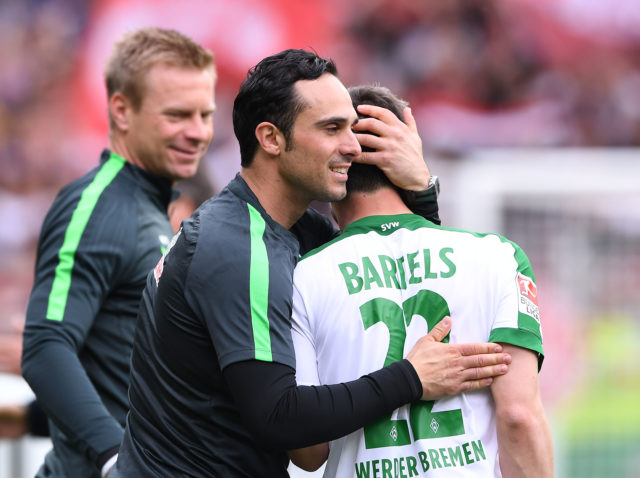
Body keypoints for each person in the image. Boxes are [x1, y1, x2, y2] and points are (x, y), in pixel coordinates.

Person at [112, 49, 512, 477]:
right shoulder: (235, 248)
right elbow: (280, 416)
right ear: (271, 139)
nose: (352, 146)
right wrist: (411, 378)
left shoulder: (289, 227)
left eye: (352, 128)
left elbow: (396, 266)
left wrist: (420, 190)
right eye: (332, 128)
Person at [288, 85, 554, 476]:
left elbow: (308, 452)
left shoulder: (303, 276)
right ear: (408, 154)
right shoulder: (499, 257)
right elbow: (518, 418)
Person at [21, 27, 216, 478]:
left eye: (205, 114)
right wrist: (116, 459)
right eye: (177, 115)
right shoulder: (96, 208)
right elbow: (46, 346)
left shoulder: (152, 208)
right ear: (122, 110)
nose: (197, 132)